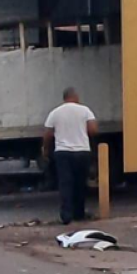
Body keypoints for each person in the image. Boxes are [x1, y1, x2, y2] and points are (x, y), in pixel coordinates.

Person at [42, 87, 98, 225]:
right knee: (80, 183)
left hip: (63, 152)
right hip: (82, 151)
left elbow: (48, 134)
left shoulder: (55, 113)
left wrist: (45, 149)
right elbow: (93, 130)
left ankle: (66, 216)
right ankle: (79, 213)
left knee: (65, 184)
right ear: (75, 96)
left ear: (64, 98)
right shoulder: (85, 110)